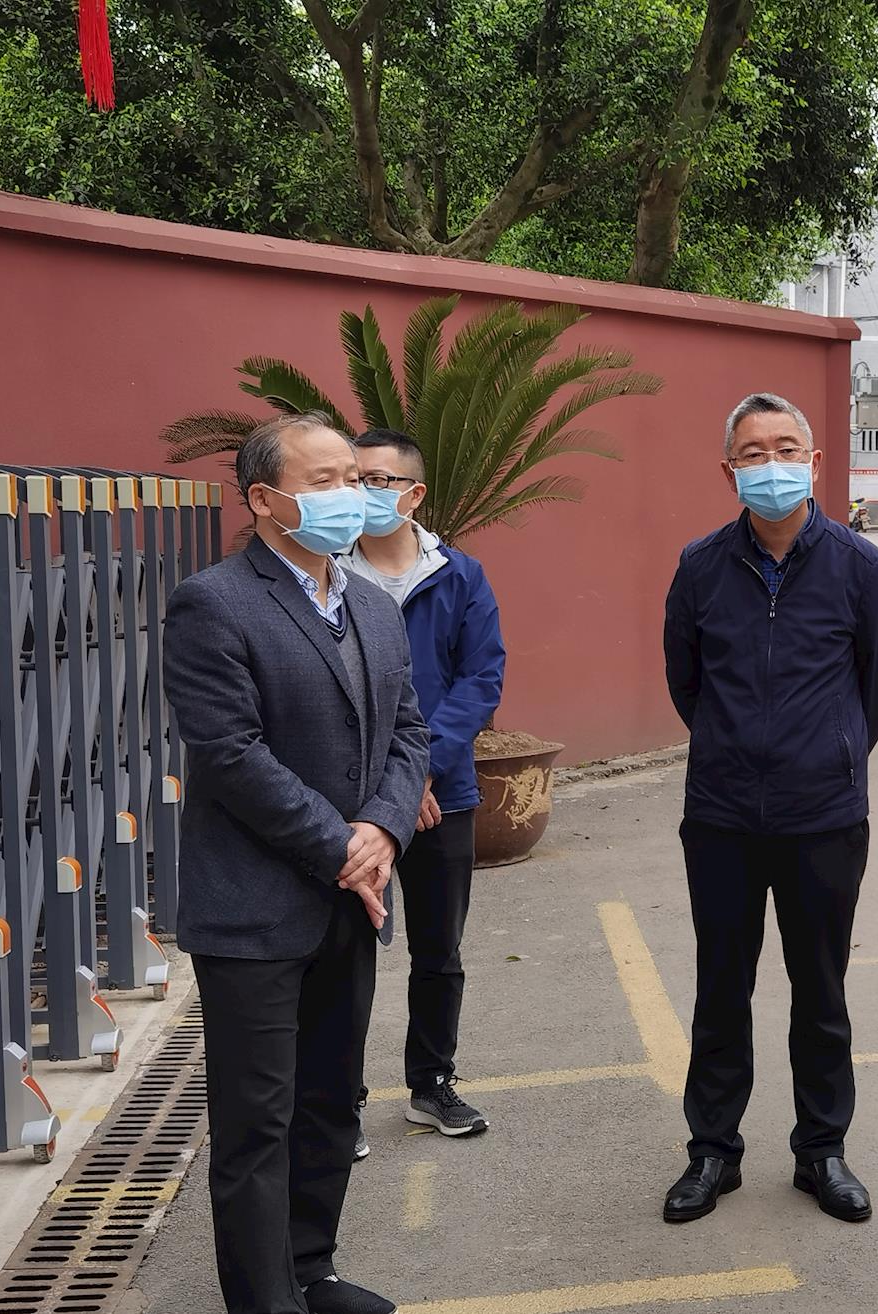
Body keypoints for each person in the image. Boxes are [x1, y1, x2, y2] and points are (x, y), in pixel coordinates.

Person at [164, 413, 428, 1314]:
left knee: (330, 1103)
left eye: (355, 476)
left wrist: (383, 830)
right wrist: (342, 847)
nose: (350, 494)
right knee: (257, 1123)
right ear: (266, 500)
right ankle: (264, 1300)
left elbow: (408, 732)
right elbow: (230, 753)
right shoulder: (213, 602)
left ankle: (311, 1270)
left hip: (350, 900)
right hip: (254, 910)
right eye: (325, 481)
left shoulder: (374, 605)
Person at [659, 392, 878, 1226]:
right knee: (720, 989)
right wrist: (732, 746)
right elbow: (686, 681)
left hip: (823, 817)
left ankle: (821, 1151)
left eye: (786, 448)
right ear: (729, 470)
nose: (772, 465)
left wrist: (828, 752)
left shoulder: (859, 566)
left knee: (820, 991)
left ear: (815, 462)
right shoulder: (699, 566)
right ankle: (712, 1152)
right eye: (753, 452)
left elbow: (877, 688)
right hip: (721, 815)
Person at [341, 428, 507, 1151]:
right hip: (349, 802)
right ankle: (338, 1100)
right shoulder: (327, 573)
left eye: (379, 480)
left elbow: (480, 680)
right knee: (343, 957)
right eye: (354, 478)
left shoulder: (459, 575)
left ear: (413, 494)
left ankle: (431, 1083)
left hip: (444, 795)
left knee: (439, 952)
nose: (364, 492)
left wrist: (421, 774)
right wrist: (390, 790)